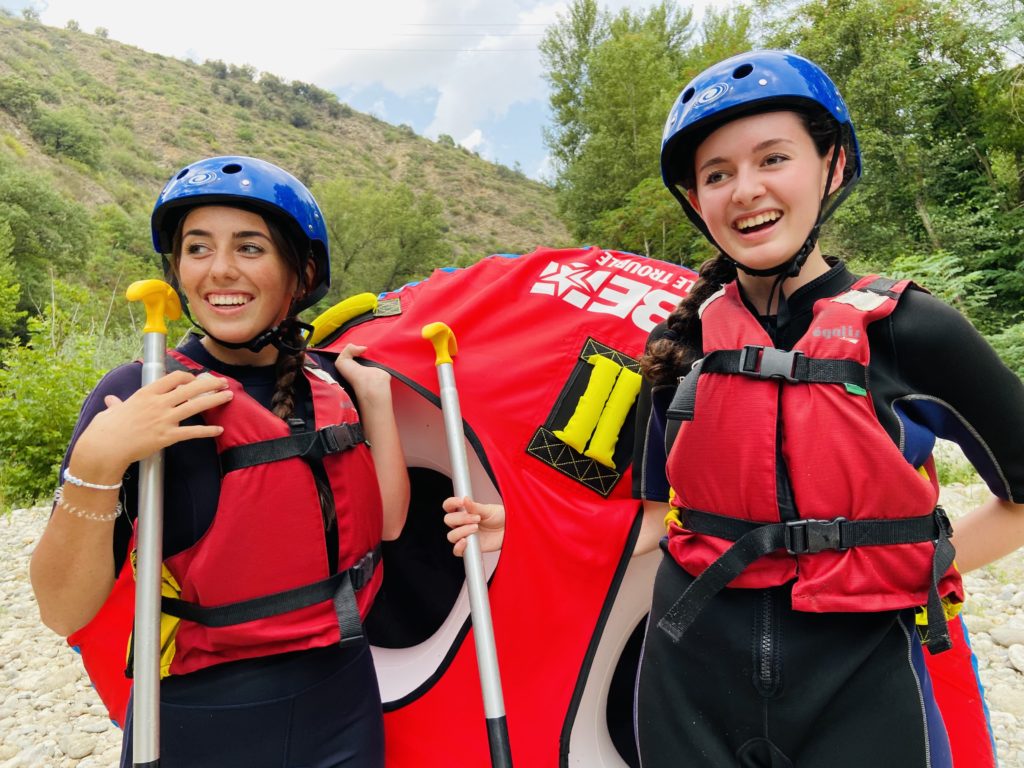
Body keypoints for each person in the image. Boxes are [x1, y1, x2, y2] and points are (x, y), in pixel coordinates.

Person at [630, 49, 1024, 767]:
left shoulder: (912, 331)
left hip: (860, 680)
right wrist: (506, 528)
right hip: (688, 679)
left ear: (833, 165)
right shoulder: (676, 347)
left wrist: (915, 561)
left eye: (773, 158)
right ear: (696, 201)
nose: (744, 190)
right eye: (717, 174)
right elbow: (654, 519)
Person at [30, 156, 409, 768]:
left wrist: (377, 404)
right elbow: (61, 611)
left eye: (250, 247)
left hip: (343, 698)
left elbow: (385, 525)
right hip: (200, 717)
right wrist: (99, 461)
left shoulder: (331, 387)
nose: (220, 270)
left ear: (301, 271)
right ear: (177, 269)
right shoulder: (140, 390)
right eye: (197, 247)